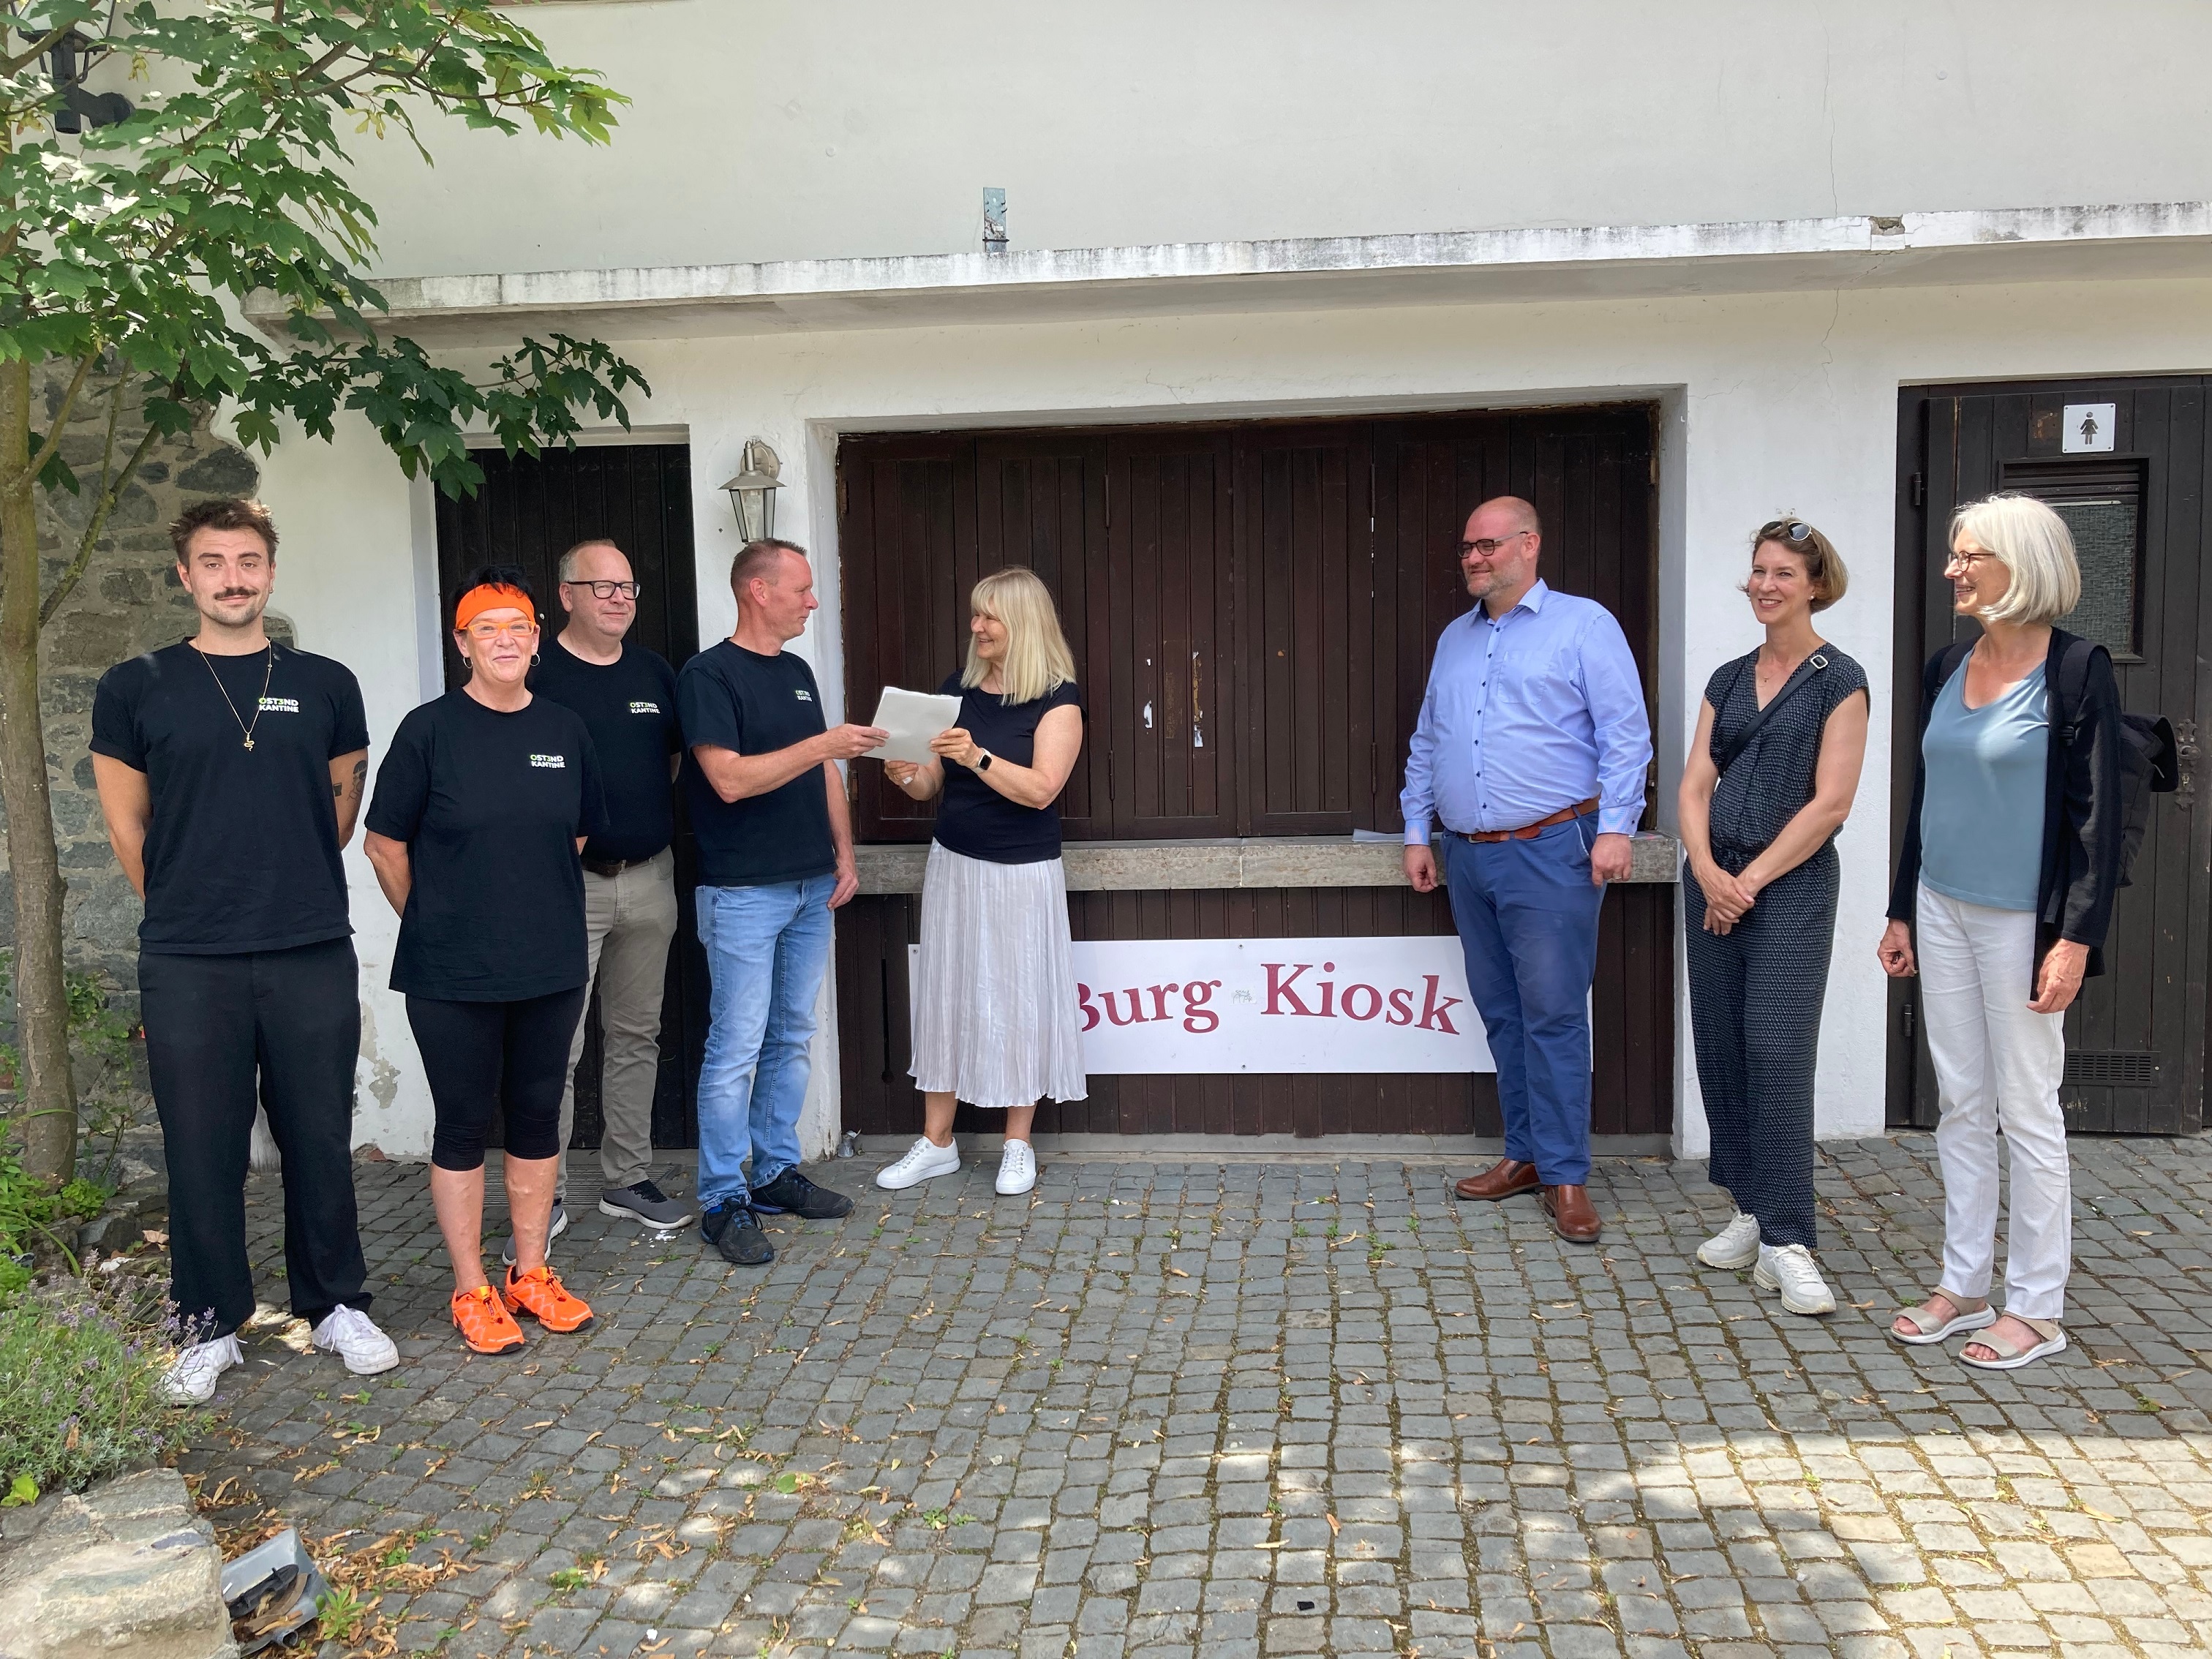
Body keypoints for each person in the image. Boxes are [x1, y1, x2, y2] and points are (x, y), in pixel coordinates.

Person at [91, 497, 397, 1404]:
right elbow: (124, 825)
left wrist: (279, 883)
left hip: (308, 944)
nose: (234, 576)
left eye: (249, 560)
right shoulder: (136, 684)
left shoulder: (327, 681)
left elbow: (340, 812)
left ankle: (337, 1304)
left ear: (270, 570)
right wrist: (194, 908)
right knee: (201, 1146)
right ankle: (207, 1324)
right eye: (214, 561)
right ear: (185, 575)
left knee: (318, 1135)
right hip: (189, 956)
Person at [1879, 493, 2121, 1371]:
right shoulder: (1950, 661)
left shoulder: (2078, 670)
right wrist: (1901, 906)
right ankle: (1963, 1285)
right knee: (1962, 1105)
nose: (1953, 568)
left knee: (2027, 1108)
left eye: (1969, 555)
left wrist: (2076, 938)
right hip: (1942, 905)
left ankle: (2038, 1308)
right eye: (1953, 553)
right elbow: (1926, 795)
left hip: (2026, 920)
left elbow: (2098, 817)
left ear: (2020, 563)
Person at [363, 568, 606, 1355]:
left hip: (549, 963)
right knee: (465, 1124)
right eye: (487, 629)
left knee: (538, 1119)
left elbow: (574, 837)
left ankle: (530, 1272)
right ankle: (470, 1284)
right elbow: (384, 843)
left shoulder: (565, 730)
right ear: (461, 643)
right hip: (452, 972)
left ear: (537, 640)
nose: (505, 641)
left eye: (519, 628)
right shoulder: (428, 731)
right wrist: (437, 921)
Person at [1403, 495, 1652, 1244]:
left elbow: (1625, 736)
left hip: (1553, 850)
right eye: (1467, 548)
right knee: (1504, 1012)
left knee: (1553, 1013)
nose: (1475, 558)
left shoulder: (1584, 626)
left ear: (1529, 545)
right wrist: (1419, 831)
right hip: (1468, 857)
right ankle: (1526, 1157)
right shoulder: (1455, 638)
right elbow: (1430, 738)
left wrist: (1616, 830)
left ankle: (1568, 1175)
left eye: (1490, 545)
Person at [1678, 519, 1869, 1316]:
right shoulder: (1727, 679)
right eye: (1757, 570)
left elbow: (1831, 805)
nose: (1765, 585)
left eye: (1783, 572)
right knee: (1722, 1046)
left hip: (1785, 887)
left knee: (1778, 1050)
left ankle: (1790, 1239)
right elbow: (1692, 786)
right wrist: (1708, 871)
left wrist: (1745, 881)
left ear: (1817, 583)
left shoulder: (1840, 679)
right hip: (1714, 881)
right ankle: (1751, 1211)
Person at [680, 539, 883, 1267]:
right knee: (735, 1045)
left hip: (807, 885)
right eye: (800, 589)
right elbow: (729, 779)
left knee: (791, 1034)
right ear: (758, 592)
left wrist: (845, 853)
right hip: (741, 890)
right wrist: (823, 742)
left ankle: (771, 1174)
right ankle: (721, 1200)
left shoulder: (797, 672)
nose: (812, 601)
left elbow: (825, 771)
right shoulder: (707, 675)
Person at [874, 568, 1088, 1197]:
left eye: (989, 617)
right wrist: (908, 776)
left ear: (1022, 622)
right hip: (956, 865)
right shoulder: (959, 689)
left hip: (1022, 873)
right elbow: (933, 784)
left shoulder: (1058, 698)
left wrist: (978, 757)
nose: (977, 628)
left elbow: (1042, 789)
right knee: (947, 992)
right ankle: (937, 1143)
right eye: (974, 615)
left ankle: (1016, 1143)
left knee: (1020, 999)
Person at [516, 538, 691, 1252]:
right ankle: (545, 1193)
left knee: (635, 1035)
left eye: (627, 588)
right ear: (565, 595)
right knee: (555, 1042)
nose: (618, 598)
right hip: (566, 888)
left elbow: (671, 763)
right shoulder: (535, 674)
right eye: (601, 587)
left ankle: (628, 1177)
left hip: (649, 880)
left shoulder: (654, 673)